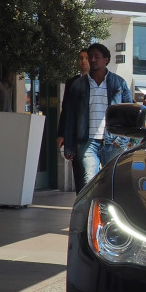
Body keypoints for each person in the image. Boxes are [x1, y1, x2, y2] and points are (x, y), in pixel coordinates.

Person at [59, 43, 132, 187]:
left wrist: (124, 139)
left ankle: (106, 209)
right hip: (87, 142)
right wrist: (69, 145)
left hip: (113, 142)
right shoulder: (78, 85)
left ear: (106, 59)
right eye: (90, 57)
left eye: (96, 57)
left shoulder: (119, 83)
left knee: (111, 182)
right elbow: (70, 117)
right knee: (89, 182)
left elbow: (129, 114)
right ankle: (91, 209)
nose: (92, 60)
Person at [56, 50, 89, 190]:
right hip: (76, 135)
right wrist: (61, 133)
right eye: (80, 58)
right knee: (79, 172)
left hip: (94, 134)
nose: (83, 61)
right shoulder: (71, 83)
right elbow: (66, 109)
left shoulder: (100, 82)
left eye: (87, 58)